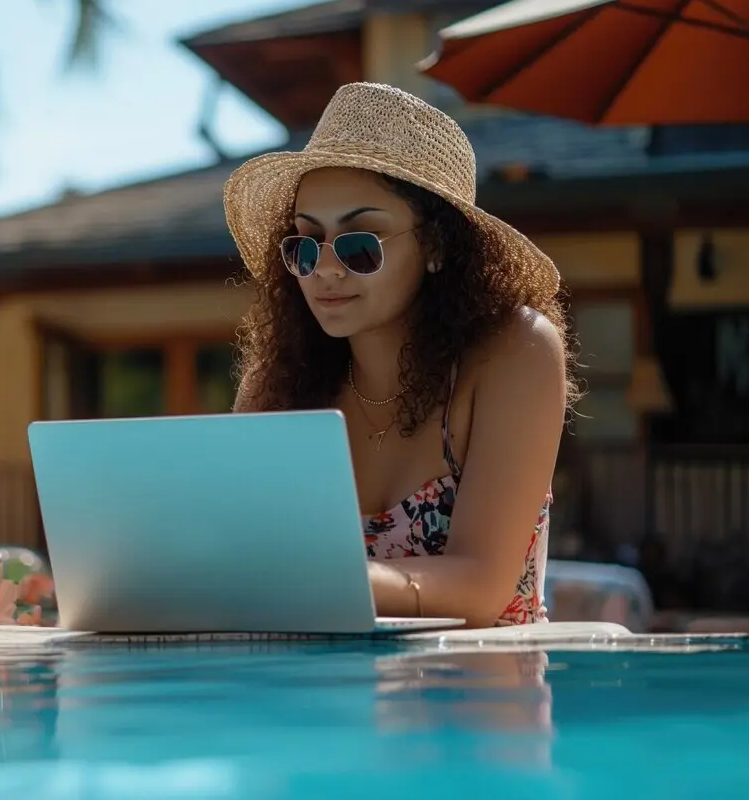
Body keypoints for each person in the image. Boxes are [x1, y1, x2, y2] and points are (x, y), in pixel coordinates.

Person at [223, 82, 576, 628]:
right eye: (305, 244)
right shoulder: (278, 384)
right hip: (319, 701)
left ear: (437, 246)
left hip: (482, 697)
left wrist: (320, 579)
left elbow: (480, 587)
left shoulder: (514, 352)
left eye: (360, 243)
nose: (326, 269)